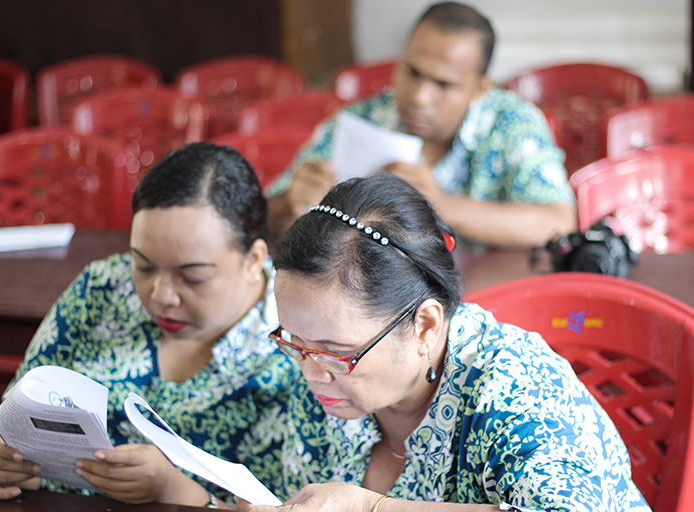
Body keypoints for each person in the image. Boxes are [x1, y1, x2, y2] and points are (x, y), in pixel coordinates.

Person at [236, 172, 649, 511]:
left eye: (338, 353)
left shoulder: (515, 385)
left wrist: (370, 508)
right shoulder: (321, 379)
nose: (310, 373)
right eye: (294, 343)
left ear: (426, 326)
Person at [0, 142, 299, 508]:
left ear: (254, 259)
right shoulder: (103, 289)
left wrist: (177, 494)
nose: (161, 296)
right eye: (144, 266)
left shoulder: (297, 346)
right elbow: (16, 413)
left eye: (192, 277)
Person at [267, 2, 577, 249]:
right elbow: (261, 215)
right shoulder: (360, 121)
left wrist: (440, 205)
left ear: (480, 89)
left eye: (443, 84)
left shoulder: (511, 123)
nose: (419, 97)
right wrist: (287, 203)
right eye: (412, 72)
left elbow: (558, 221)